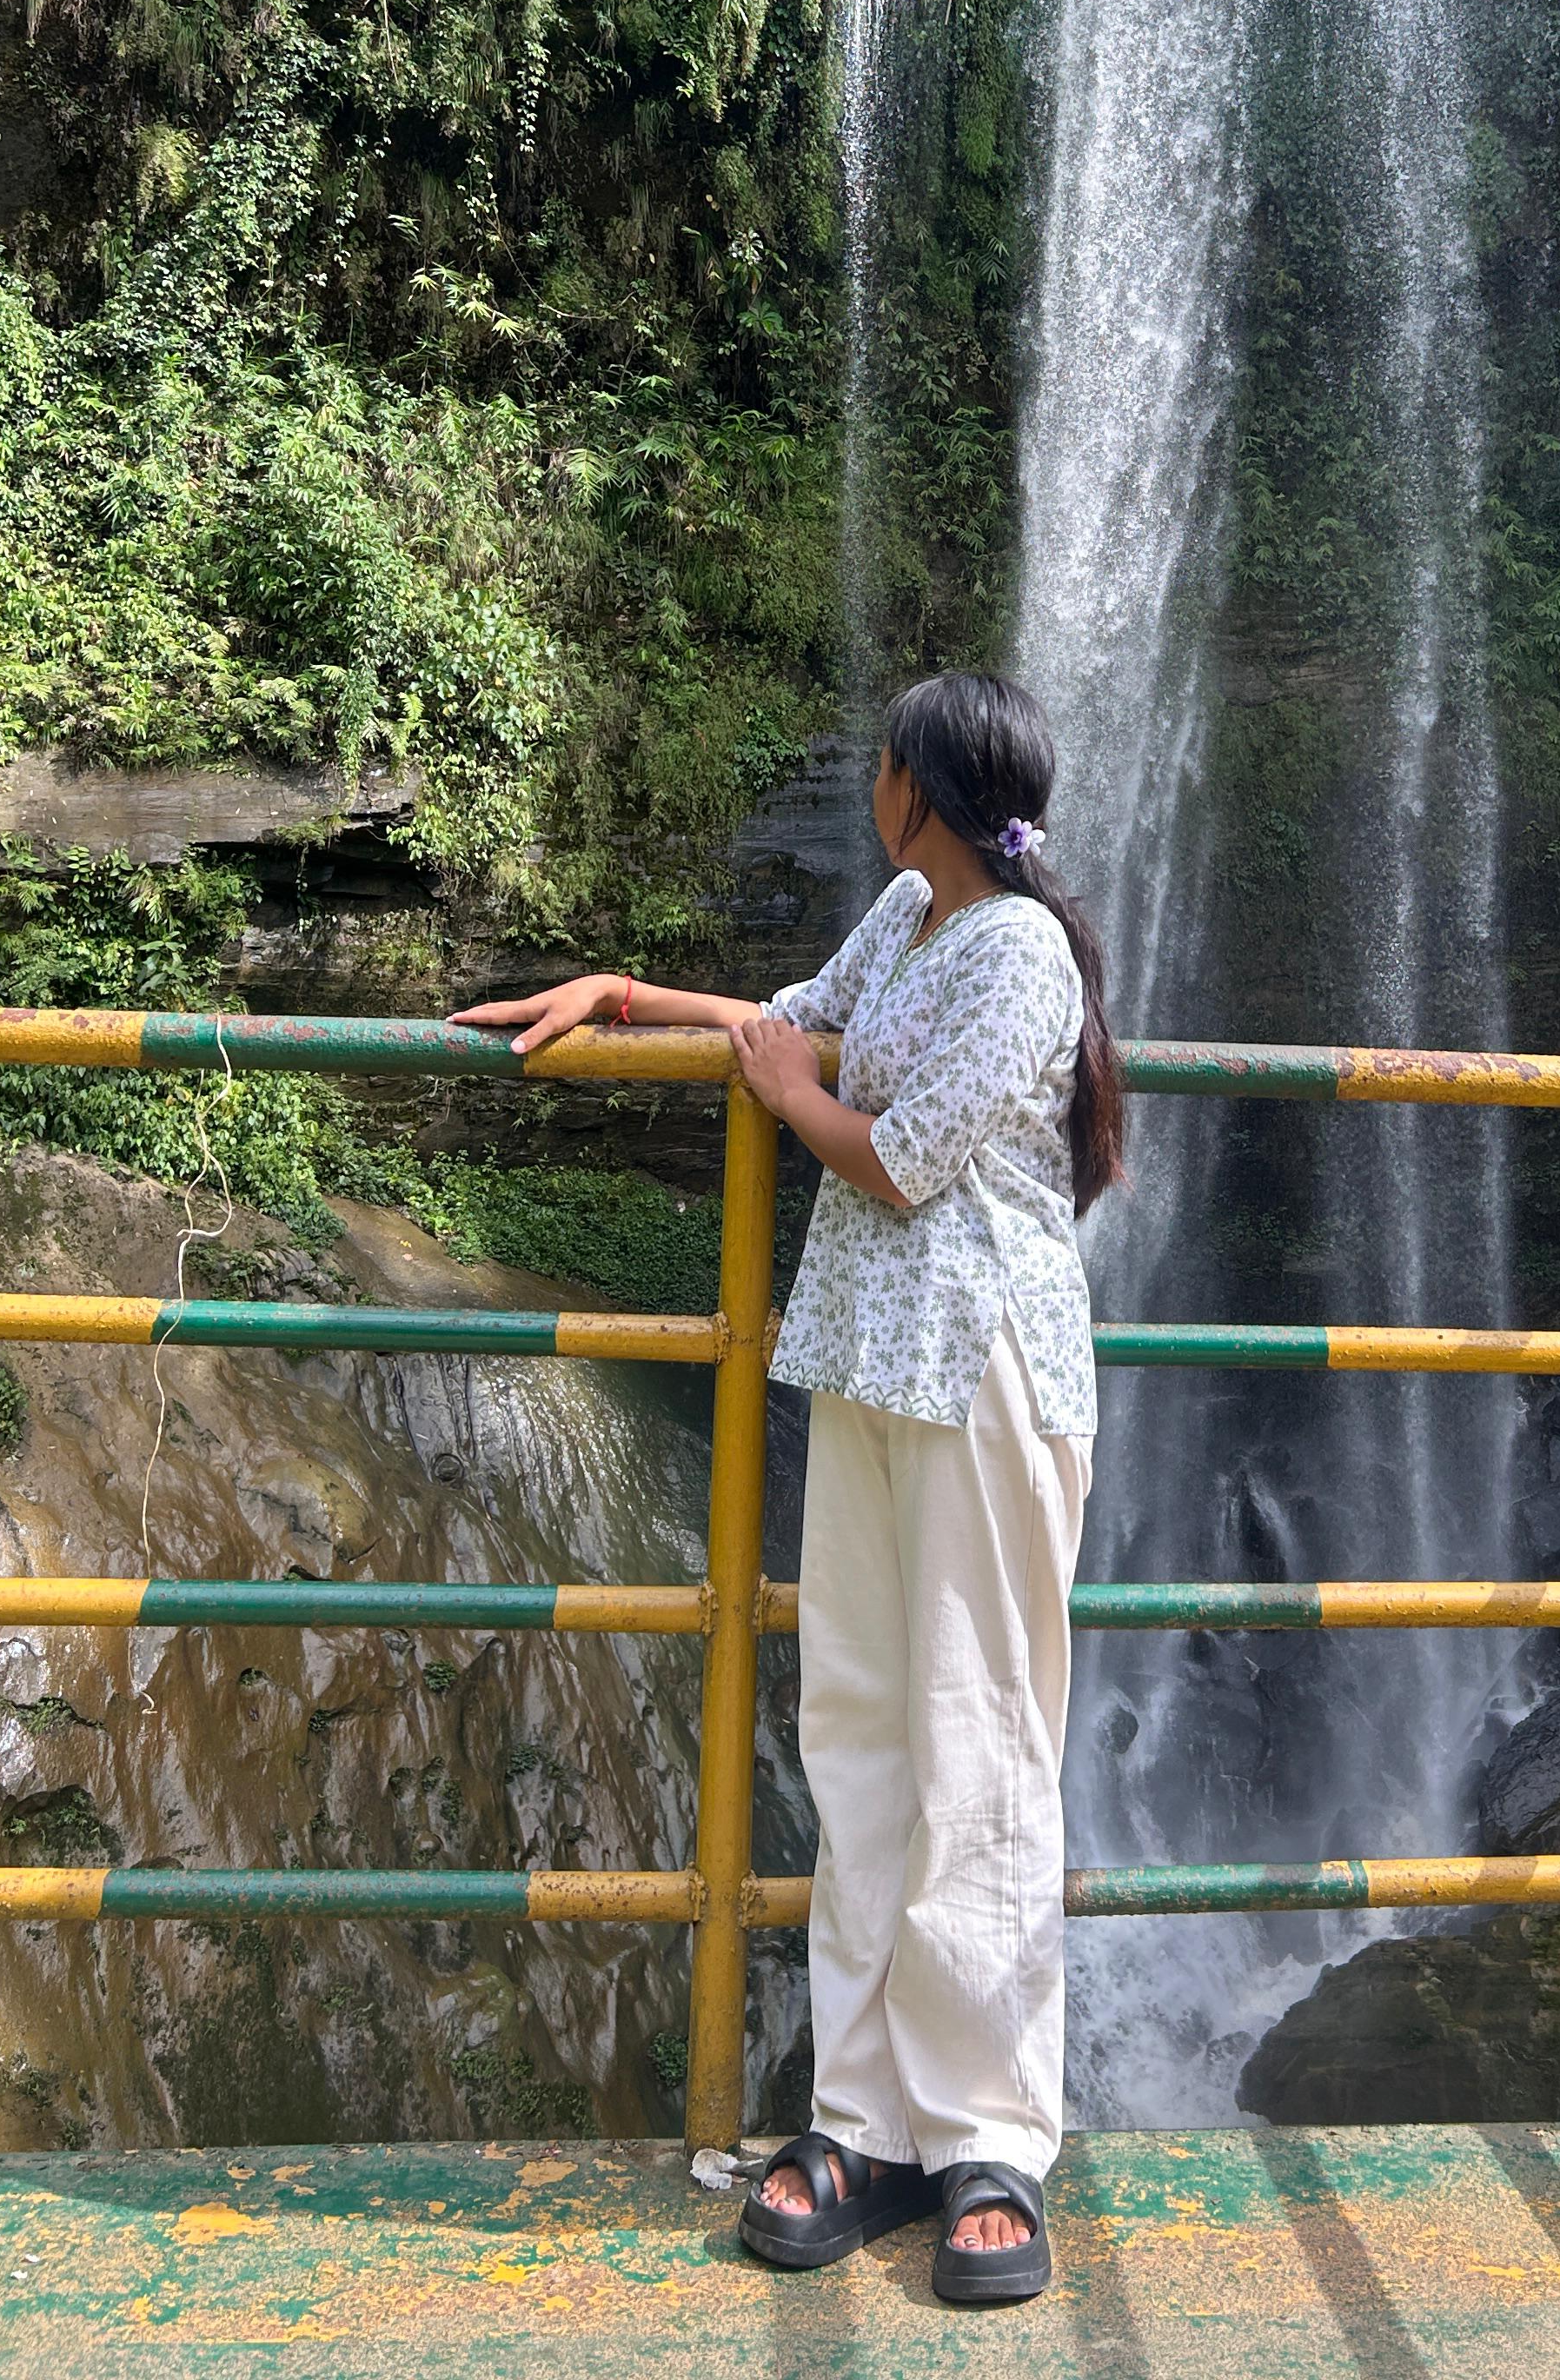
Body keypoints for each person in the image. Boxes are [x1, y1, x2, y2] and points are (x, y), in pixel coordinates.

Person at [455, 670, 1119, 2309]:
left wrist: (788, 1101)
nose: (869, 787)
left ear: (925, 790)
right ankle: (866, 2116)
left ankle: (990, 2142)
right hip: (875, 1369)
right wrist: (620, 994)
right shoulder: (908, 911)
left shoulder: (1023, 953)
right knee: (865, 1730)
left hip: (987, 1374)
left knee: (984, 1736)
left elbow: (895, 1152)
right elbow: (791, 1019)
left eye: (885, 767)